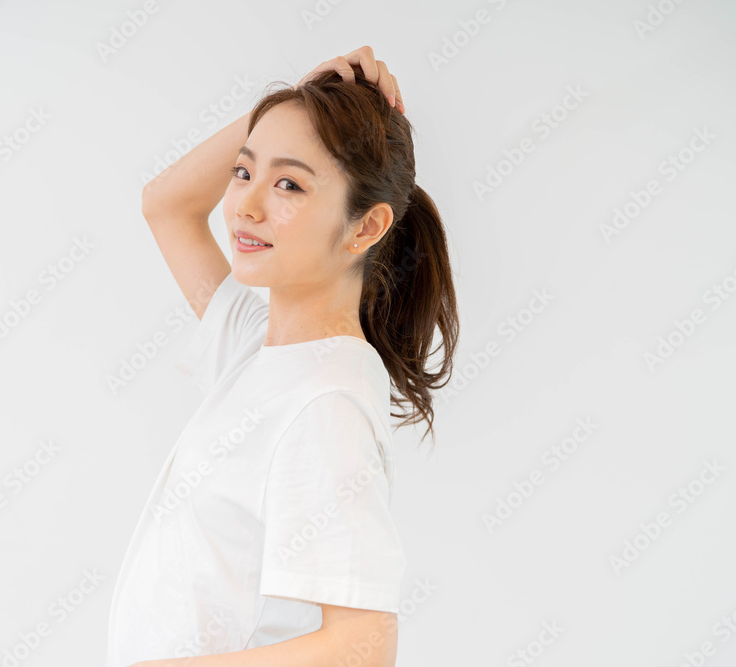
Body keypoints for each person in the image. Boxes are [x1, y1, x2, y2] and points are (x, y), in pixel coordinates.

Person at [106, 45, 459, 667]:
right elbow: (166, 205)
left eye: (289, 184)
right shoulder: (258, 345)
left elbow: (364, 647)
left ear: (365, 228)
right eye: (244, 172)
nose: (245, 205)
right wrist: (300, 100)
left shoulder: (326, 404)